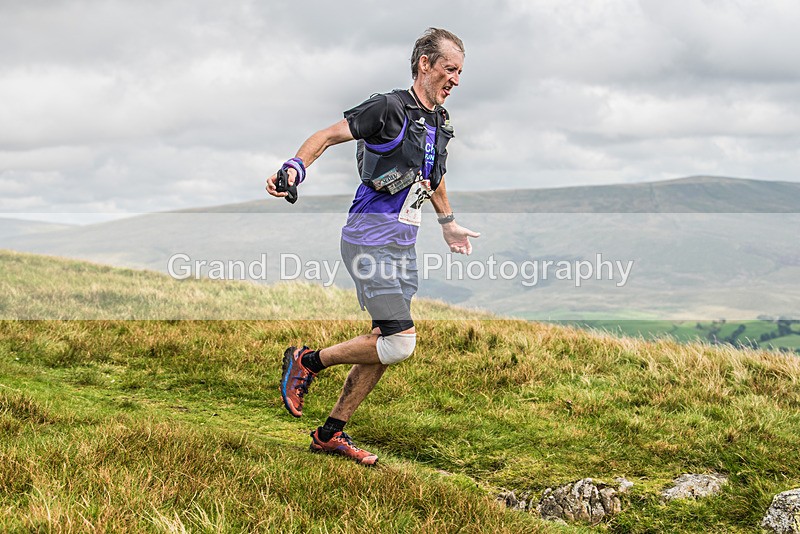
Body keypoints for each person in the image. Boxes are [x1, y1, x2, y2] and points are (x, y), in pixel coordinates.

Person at [266, 28, 479, 466]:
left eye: (460, 71)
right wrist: (293, 169)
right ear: (425, 63)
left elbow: (432, 176)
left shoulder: (438, 120)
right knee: (400, 342)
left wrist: (448, 223)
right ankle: (307, 360)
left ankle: (330, 434)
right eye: (450, 69)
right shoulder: (388, 108)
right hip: (367, 238)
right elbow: (326, 135)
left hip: (402, 244)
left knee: (385, 342)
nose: (456, 79)